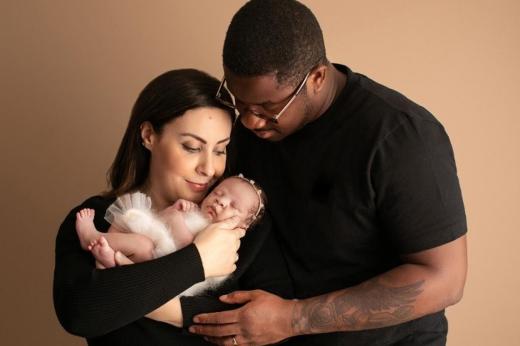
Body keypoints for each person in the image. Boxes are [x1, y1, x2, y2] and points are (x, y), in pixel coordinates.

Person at [189, 1, 468, 345]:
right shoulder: (247, 125)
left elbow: (445, 279)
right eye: (239, 102)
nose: (249, 121)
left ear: (317, 77)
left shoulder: (399, 136)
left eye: (267, 109)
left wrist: (292, 319)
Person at [53, 68, 290, 345]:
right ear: (149, 136)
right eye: (191, 147)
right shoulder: (96, 219)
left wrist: (160, 307)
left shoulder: (240, 221)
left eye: (220, 149)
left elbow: (268, 326)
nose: (209, 168)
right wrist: (198, 260)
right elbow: (82, 313)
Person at [75, 174, 266, 297]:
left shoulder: (220, 237)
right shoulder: (196, 213)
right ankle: (110, 258)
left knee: (142, 244)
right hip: (158, 248)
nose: (221, 201)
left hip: (168, 266)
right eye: (218, 192)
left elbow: (188, 250)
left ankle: (90, 237)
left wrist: (175, 217)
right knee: (128, 215)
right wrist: (176, 210)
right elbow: (162, 218)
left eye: (233, 205)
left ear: (243, 225)